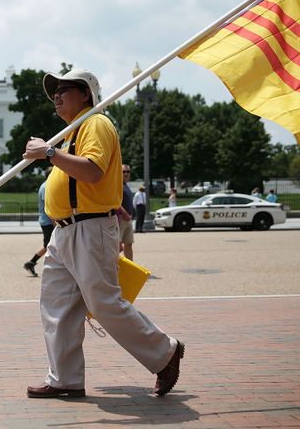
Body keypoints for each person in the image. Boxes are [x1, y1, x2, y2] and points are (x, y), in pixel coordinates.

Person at [22, 68, 182, 399]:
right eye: (54, 91)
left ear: (85, 94)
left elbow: (92, 172)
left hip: (89, 225)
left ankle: (165, 352)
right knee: (56, 306)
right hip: (65, 230)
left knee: (104, 303)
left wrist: (50, 154)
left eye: (63, 89)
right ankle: (64, 378)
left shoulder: (96, 123)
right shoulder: (71, 132)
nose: (56, 95)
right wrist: (53, 151)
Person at [23, 168, 54, 277]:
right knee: (52, 245)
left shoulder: (45, 185)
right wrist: (55, 222)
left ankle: (31, 263)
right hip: (48, 221)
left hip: (46, 221)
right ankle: (33, 263)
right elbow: (48, 207)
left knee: (48, 245)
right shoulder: (47, 187)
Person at [118, 163, 135, 260]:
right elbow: (116, 202)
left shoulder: (126, 185)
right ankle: (114, 268)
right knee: (117, 247)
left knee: (129, 244)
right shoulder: (117, 184)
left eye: (128, 171)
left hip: (128, 219)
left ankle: (130, 268)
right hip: (120, 219)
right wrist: (125, 214)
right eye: (123, 171)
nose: (126, 173)